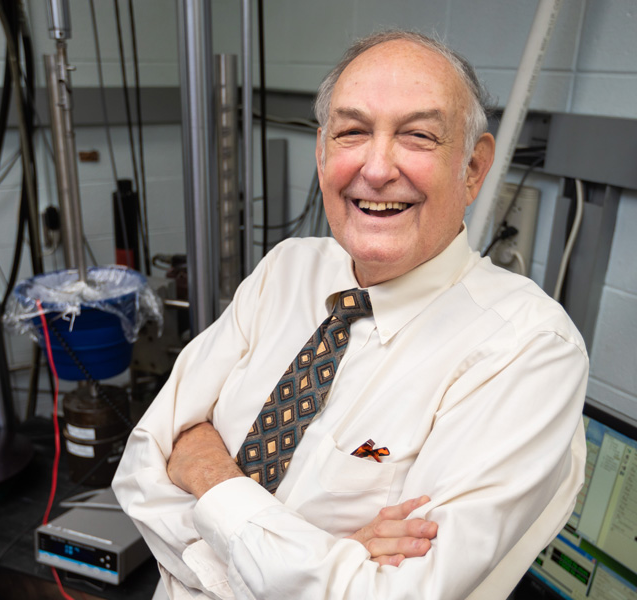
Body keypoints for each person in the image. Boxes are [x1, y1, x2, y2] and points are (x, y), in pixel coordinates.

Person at [112, 30, 587, 600]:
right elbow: (145, 462)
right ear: (321, 154)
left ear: (474, 169)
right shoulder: (286, 271)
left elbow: (393, 596)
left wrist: (205, 470)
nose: (378, 166)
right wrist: (323, 557)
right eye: (353, 132)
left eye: (418, 135)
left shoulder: (529, 347)